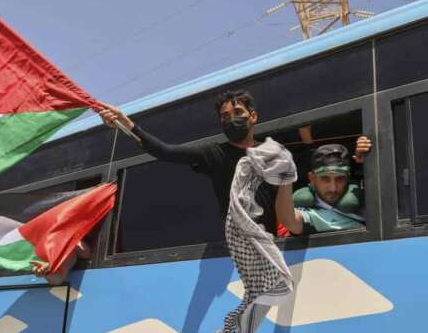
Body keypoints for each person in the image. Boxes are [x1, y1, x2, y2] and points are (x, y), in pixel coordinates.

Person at [99, 90, 281, 235]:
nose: (231, 119)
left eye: (238, 112)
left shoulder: (272, 154)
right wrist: (126, 123)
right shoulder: (214, 154)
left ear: (253, 116)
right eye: (225, 116)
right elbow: (165, 151)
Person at [276, 142, 371, 235]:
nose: (333, 188)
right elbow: (289, 221)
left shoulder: (367, 197)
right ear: (312, 178)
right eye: (325, 178)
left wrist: (370, 159)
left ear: (348, 178)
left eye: (340, 178)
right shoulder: (311, 214)